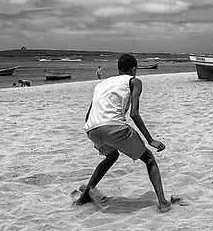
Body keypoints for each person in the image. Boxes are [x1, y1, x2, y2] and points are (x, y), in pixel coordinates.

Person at [75, 54, 180, 213]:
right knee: (148, 157)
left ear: (118, 68)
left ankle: (82, 198)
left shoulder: (102, 84)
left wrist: (97, 136)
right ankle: (163, 203)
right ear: (134, 69)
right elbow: (134, 113)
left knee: (112, 156)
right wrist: (150, 140)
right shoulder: (134, 81)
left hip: (91, 128)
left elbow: (88, 114)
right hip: (112, 127)